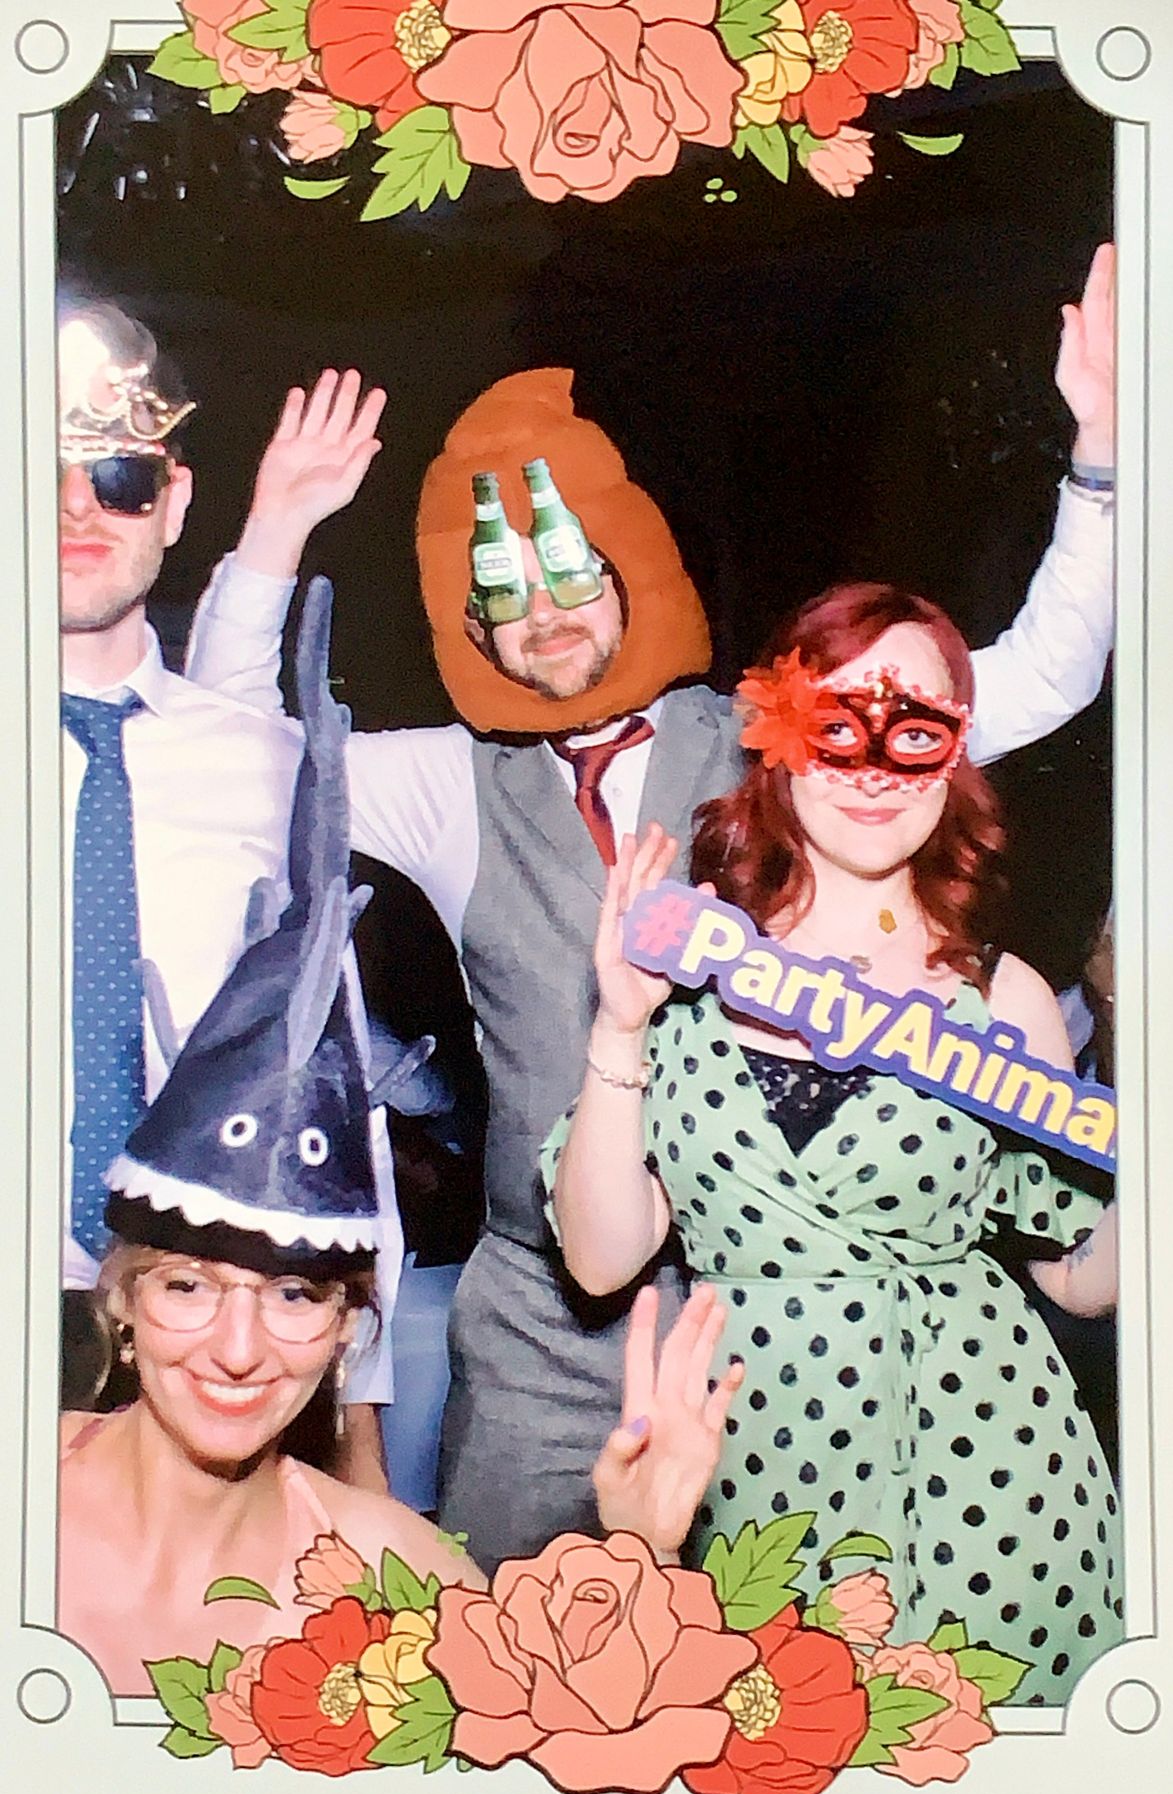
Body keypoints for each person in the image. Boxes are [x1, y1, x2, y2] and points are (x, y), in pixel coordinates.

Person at [182, 246, 1117, 1571]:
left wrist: (1101, 470)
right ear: (467, 622)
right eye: (499, 594)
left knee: (771, 1670)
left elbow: (1031, 682)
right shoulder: (447, 784)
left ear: (626, 561)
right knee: (500, 1654)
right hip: (537, 1319)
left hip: (766, 1304)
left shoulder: (768, 733)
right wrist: (275, 528)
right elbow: (233, 754)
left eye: (569, 569)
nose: (546, 617)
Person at [58, 577, 740, 1693]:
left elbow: (541, 1716)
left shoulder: (396, 1576)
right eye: (189, 1288)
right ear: (119, 1298)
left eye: (295, 1297)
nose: (240, 1347)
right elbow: (268, 762)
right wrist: (273, 536)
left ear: (351, 1330)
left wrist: (639, 1549)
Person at [546, 580, 1120, 1706]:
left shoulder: (1003, 998)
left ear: (953, 759)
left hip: (991, 1481)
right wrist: (619, 1022)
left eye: (916, 731)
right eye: (835, 720)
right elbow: (602, 1259)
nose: (871, 764)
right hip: (750, 1471)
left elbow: (1082, 1279)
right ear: (776, 735)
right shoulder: (686, 973)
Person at [55, 295, 400, 1488]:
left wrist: (360, 1413)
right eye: (36, 470)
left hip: (214, 1334)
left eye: (118, 477)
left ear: (175, 503)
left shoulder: (260, 760)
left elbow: (326, 1060)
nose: (75, 510)